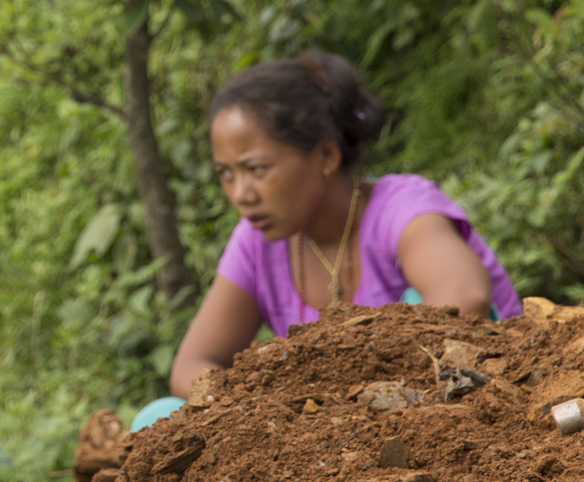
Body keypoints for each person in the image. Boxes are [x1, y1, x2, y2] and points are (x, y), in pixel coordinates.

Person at [152, 51, 519, 426]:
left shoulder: (400, 208)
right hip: (331, 432)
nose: (240, 193)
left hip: (460, 410)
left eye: (256, 169)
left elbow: (465, 297)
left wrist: (341, 397)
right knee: (157, 416)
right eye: (225, 173)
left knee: (417, 307)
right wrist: (264, 404)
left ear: (326, 154)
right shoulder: (256, 242)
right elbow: (191, 365)